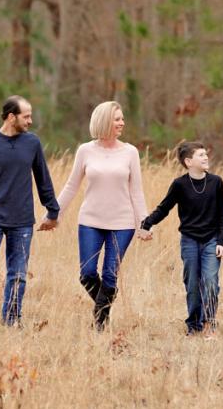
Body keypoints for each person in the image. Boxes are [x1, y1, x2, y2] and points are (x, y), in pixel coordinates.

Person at [46, 101, 148, 331]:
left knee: (110, 274)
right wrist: (54, 215)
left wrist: (145, 223)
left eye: (122, 118)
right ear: (104, 121)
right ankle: (105, 308)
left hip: (122, 223)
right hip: (90, 221)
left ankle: (100, 322)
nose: (122, 123)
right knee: (87, 273)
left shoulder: (130, 152)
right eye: (117, 119)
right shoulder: (85, 150)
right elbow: (71, 186)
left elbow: (136, 191)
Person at [0, 95, 60, 338]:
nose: (30, 120)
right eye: (26, 116)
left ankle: (12, 320)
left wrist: (53, 211)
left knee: (17, 274)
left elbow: (43, 179)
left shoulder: (32, 143)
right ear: (10, 117)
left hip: (22, 221)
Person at [140, 142, 223, 338]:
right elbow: (164, 208)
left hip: (211, 240)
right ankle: (193, 324)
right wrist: (146, 224)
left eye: (206, 154)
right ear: (188, 162)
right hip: (189, 240)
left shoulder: (216, 182)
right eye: (200, 155)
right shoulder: (179, 185)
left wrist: (222, 242)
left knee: (210, 281)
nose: (206, 157)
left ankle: (209, 323)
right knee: (191, 284)